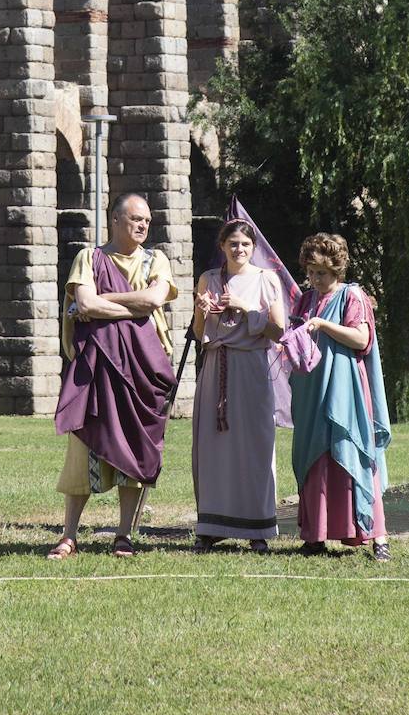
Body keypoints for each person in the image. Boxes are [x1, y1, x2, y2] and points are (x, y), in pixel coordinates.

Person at [48, 192, 177, 561]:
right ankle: (69, 535)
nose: (143, 226)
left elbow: (153, 301)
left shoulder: (157, 260)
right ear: (115, 219)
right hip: (97, 367)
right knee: (83, 449)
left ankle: (124, 534)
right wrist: (128, 306)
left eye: (147, 221)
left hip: (142, 369)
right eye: (136, 219)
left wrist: (106, 303)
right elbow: (85, 304)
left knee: (136, 447)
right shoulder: (89, 257)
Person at [288, 232, 391, 561]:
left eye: (322, 272)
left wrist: (323, 325)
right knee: (315, 458)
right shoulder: (305, 300)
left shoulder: (351, 296)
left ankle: (377, 536)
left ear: (337, 270)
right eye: (311, 271)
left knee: (351, 451)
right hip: (311, 391)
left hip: (346, 389)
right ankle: (316, 536)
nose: (315, 278)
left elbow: (361, 339)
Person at [192, 219, 285, 552]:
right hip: (217, 366)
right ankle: (211, 526)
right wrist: (203, 312)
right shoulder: (209, 279)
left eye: (245, 244)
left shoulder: (266, 280)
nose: (239, 249)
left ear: (253, 248)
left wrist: (247, 310)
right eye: (233, 244)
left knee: (254, 445)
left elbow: (278, 331)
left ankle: (258, 527)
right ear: (222, 246)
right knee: (213, 446)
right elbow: (198, 331)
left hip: (251, 368)